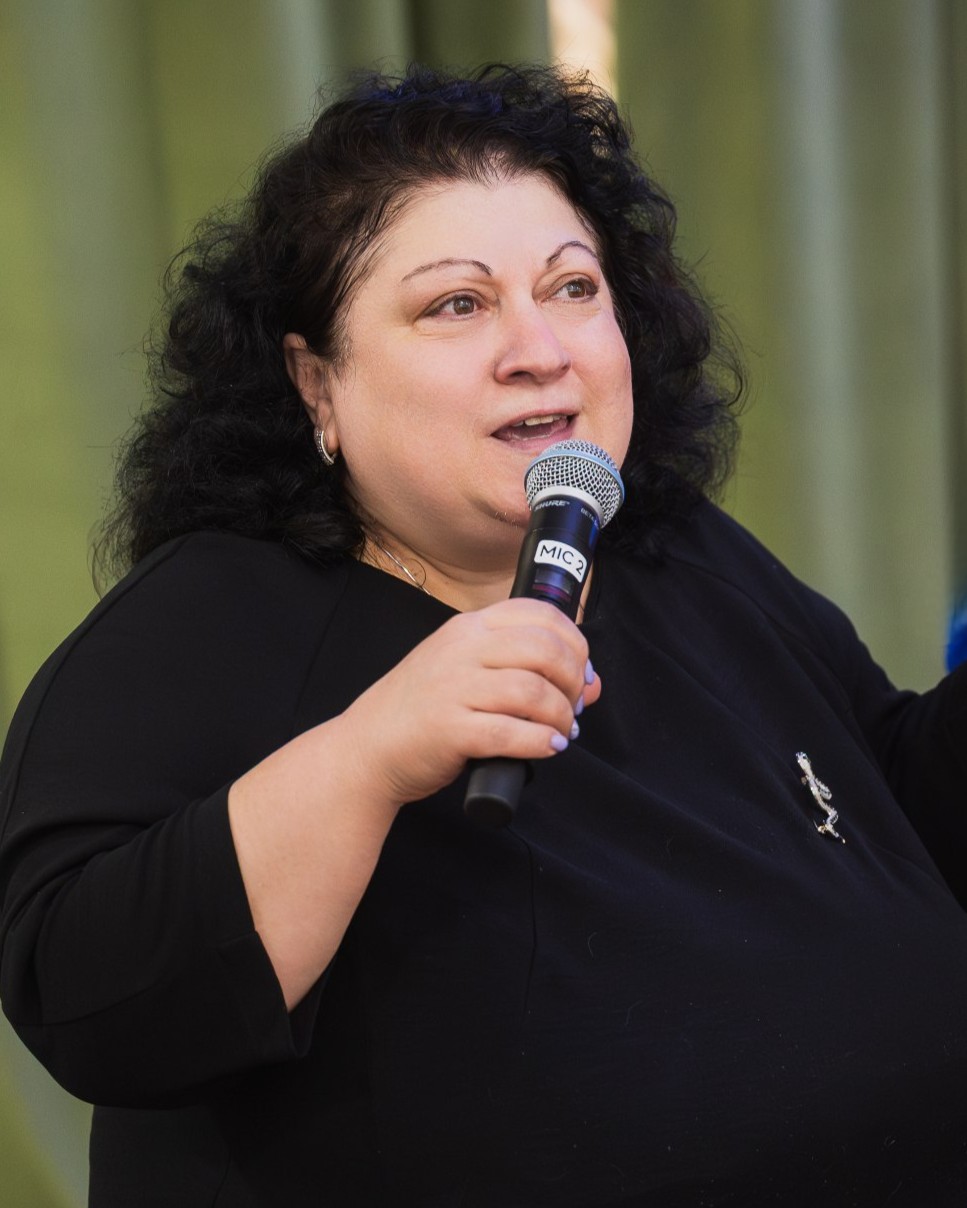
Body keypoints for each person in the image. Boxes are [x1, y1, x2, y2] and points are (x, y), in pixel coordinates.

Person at [1, 62, 966, 1208]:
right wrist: (370, 754)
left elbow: (898, 803)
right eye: (457, 304)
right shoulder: (204, 623)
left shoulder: (678, 549)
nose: (538, 347)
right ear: (316, 383)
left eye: (572, 287)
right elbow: (86, 996)